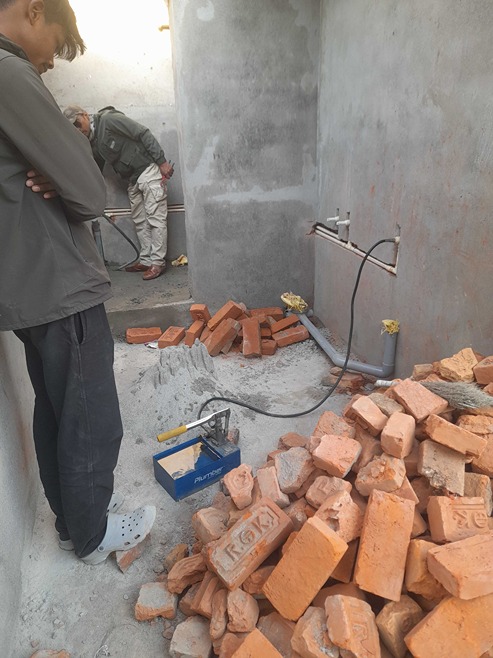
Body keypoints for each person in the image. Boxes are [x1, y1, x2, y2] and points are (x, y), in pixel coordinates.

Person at [0, 0, 155, 565]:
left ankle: (71, 525)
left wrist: (54, 172)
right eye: (56, 48)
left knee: (55, 409)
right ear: (35, 10)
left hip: (28, 284)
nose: (50, 64)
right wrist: (66, 174)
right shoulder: (11, 71)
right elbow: (89, 193)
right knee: (91, 415)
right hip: (58, 280)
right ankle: (92, 535)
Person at [63, 104, 174, 280]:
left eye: (77, 124)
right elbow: (96, 169)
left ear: (84, 115)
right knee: (140, 220)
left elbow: (142, 132)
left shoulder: (108, 120)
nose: (77, 130)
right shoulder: (93, 141)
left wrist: (162, 162)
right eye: (73, 128)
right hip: (132, 179)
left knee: (155, 218)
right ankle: (146, 260)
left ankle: (157, 262)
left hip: (148, 170)